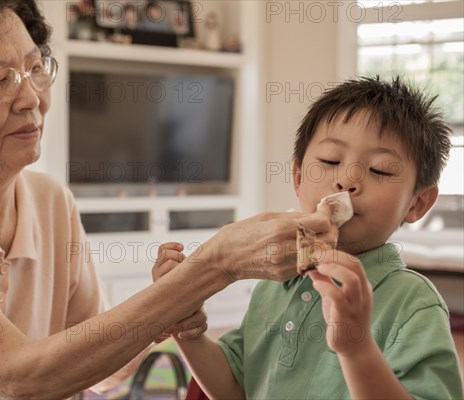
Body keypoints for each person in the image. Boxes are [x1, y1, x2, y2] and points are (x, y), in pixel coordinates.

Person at [0, 1, 336, 398]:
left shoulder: (51, 202)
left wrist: (169, 304)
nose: (31, 98)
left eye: (34, 68)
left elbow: (103, 366)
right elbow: (15, 374)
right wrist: (212, 267)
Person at [155, 77, 464, 399]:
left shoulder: (413, 303)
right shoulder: (273, 283)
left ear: (417, 204)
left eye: (380, 170)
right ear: (299, 178)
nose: (347, 180)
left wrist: (356, 350)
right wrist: (187, 330)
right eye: (331, 161)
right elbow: (235, 389)